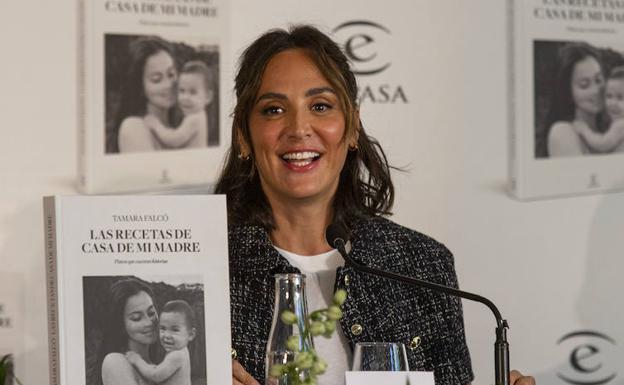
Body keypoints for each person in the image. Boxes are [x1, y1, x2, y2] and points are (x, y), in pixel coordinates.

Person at [216, 25, 536, 385]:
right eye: (273, 110)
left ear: (352, 128)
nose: (299, 128)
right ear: (243, 135)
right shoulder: (207, 271)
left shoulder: (424, 267)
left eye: (320, 106)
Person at [115, 36, 178, 153]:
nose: (169, 84)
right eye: (156, 79)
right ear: (140, 86)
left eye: (171, 74)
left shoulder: (180, 127)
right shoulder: (134, 127)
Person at [545, 42, 606, 157]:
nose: (597, 90)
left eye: (598, 80)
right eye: (584, 85)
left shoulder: (611, 128)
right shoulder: (562, 132)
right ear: (568, 93)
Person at [101, 278, 159, 385]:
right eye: (136, 318)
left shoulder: (158, 367)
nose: (149, 322)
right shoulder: (115, 362)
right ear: (121, 325)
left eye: (151, 313)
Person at [145, 60, 214, 149]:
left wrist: (156, 126)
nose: (185, 97)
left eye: (193, 92)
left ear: (208, 97)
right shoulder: (198, 115)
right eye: (182, 91)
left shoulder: (194, 119)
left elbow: (174, 140)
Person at [126, 300, 197, 385]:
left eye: (175, 330)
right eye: (163, 328)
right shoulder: (181, 351)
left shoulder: (177, 355)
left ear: (191, 335)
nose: (166, 335)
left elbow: (156, 376)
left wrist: (137, 360)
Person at [574, 65, 624, 153]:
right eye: (609, 96)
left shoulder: (621, 125)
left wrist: (584, 130)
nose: (613, 103)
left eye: (620, 98)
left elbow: (602, 144)